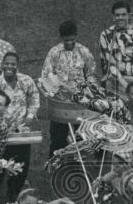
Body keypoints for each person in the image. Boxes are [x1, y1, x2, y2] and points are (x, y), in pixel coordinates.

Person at [0, 51, 40, 201]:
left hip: (21, 130)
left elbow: (35, 98)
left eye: (13, 64)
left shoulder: (26, 81)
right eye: (7, 63)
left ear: (17, 66)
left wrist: (29, 117)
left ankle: (14, 191)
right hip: (0, 131)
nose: (10, 66)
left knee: (21, 163)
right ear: (2, 65)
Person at [39, 20, 99, 156]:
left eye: (72, 40)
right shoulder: (54, 52)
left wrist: (90, 91)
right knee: (58, 138)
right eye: (66, 40)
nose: (69, 43)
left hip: (80, 102)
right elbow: (46, 75)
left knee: (80, 137)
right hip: (60, 102)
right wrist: (56, 89)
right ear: (61, 38)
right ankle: (55, 163)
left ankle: (76, 163)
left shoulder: (83, 51)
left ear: (76, 36)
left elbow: (91, 73)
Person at [98, 1, 133, 95]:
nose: (120, 18)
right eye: (117, 15)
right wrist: (126, 86)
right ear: (113, 17)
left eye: (123, 15)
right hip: (114, 84)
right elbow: (108, 66)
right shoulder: (105, 35)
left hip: (132, 81)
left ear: (128, 16)